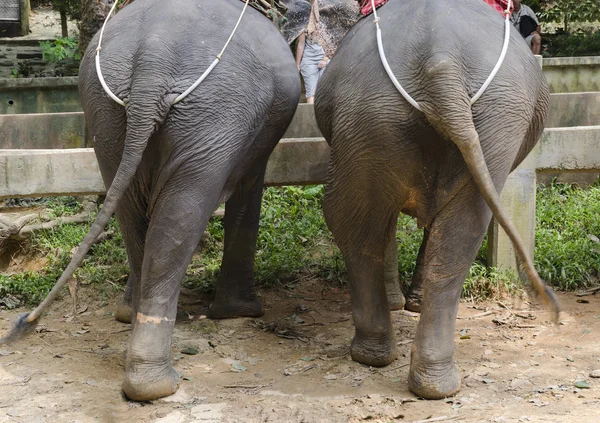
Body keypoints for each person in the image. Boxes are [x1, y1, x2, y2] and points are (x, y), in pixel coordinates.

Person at [295, 0, 329, 104]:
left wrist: (325, 59)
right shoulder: (304, 22)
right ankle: (312, 118)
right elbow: (301, 44)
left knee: (325, 90)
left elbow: (331, 43)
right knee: (311, 91)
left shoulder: (326, 19)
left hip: (325, 58)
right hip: (308, 60)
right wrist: (297, 64)